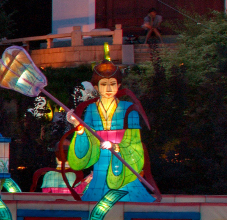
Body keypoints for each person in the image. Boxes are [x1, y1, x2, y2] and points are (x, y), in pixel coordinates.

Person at [64, 59, 158, 202]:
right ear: (96, 87)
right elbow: (88, 136)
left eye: (112, 84)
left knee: (128, 195)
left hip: (121, 160)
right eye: (104, 84)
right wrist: (78, 126)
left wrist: (116, 146)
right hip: (100, 160)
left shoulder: (129, 108)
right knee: (97, 196)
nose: (108, 89)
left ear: (119, 85)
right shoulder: (91, 109)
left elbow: (134, 141)